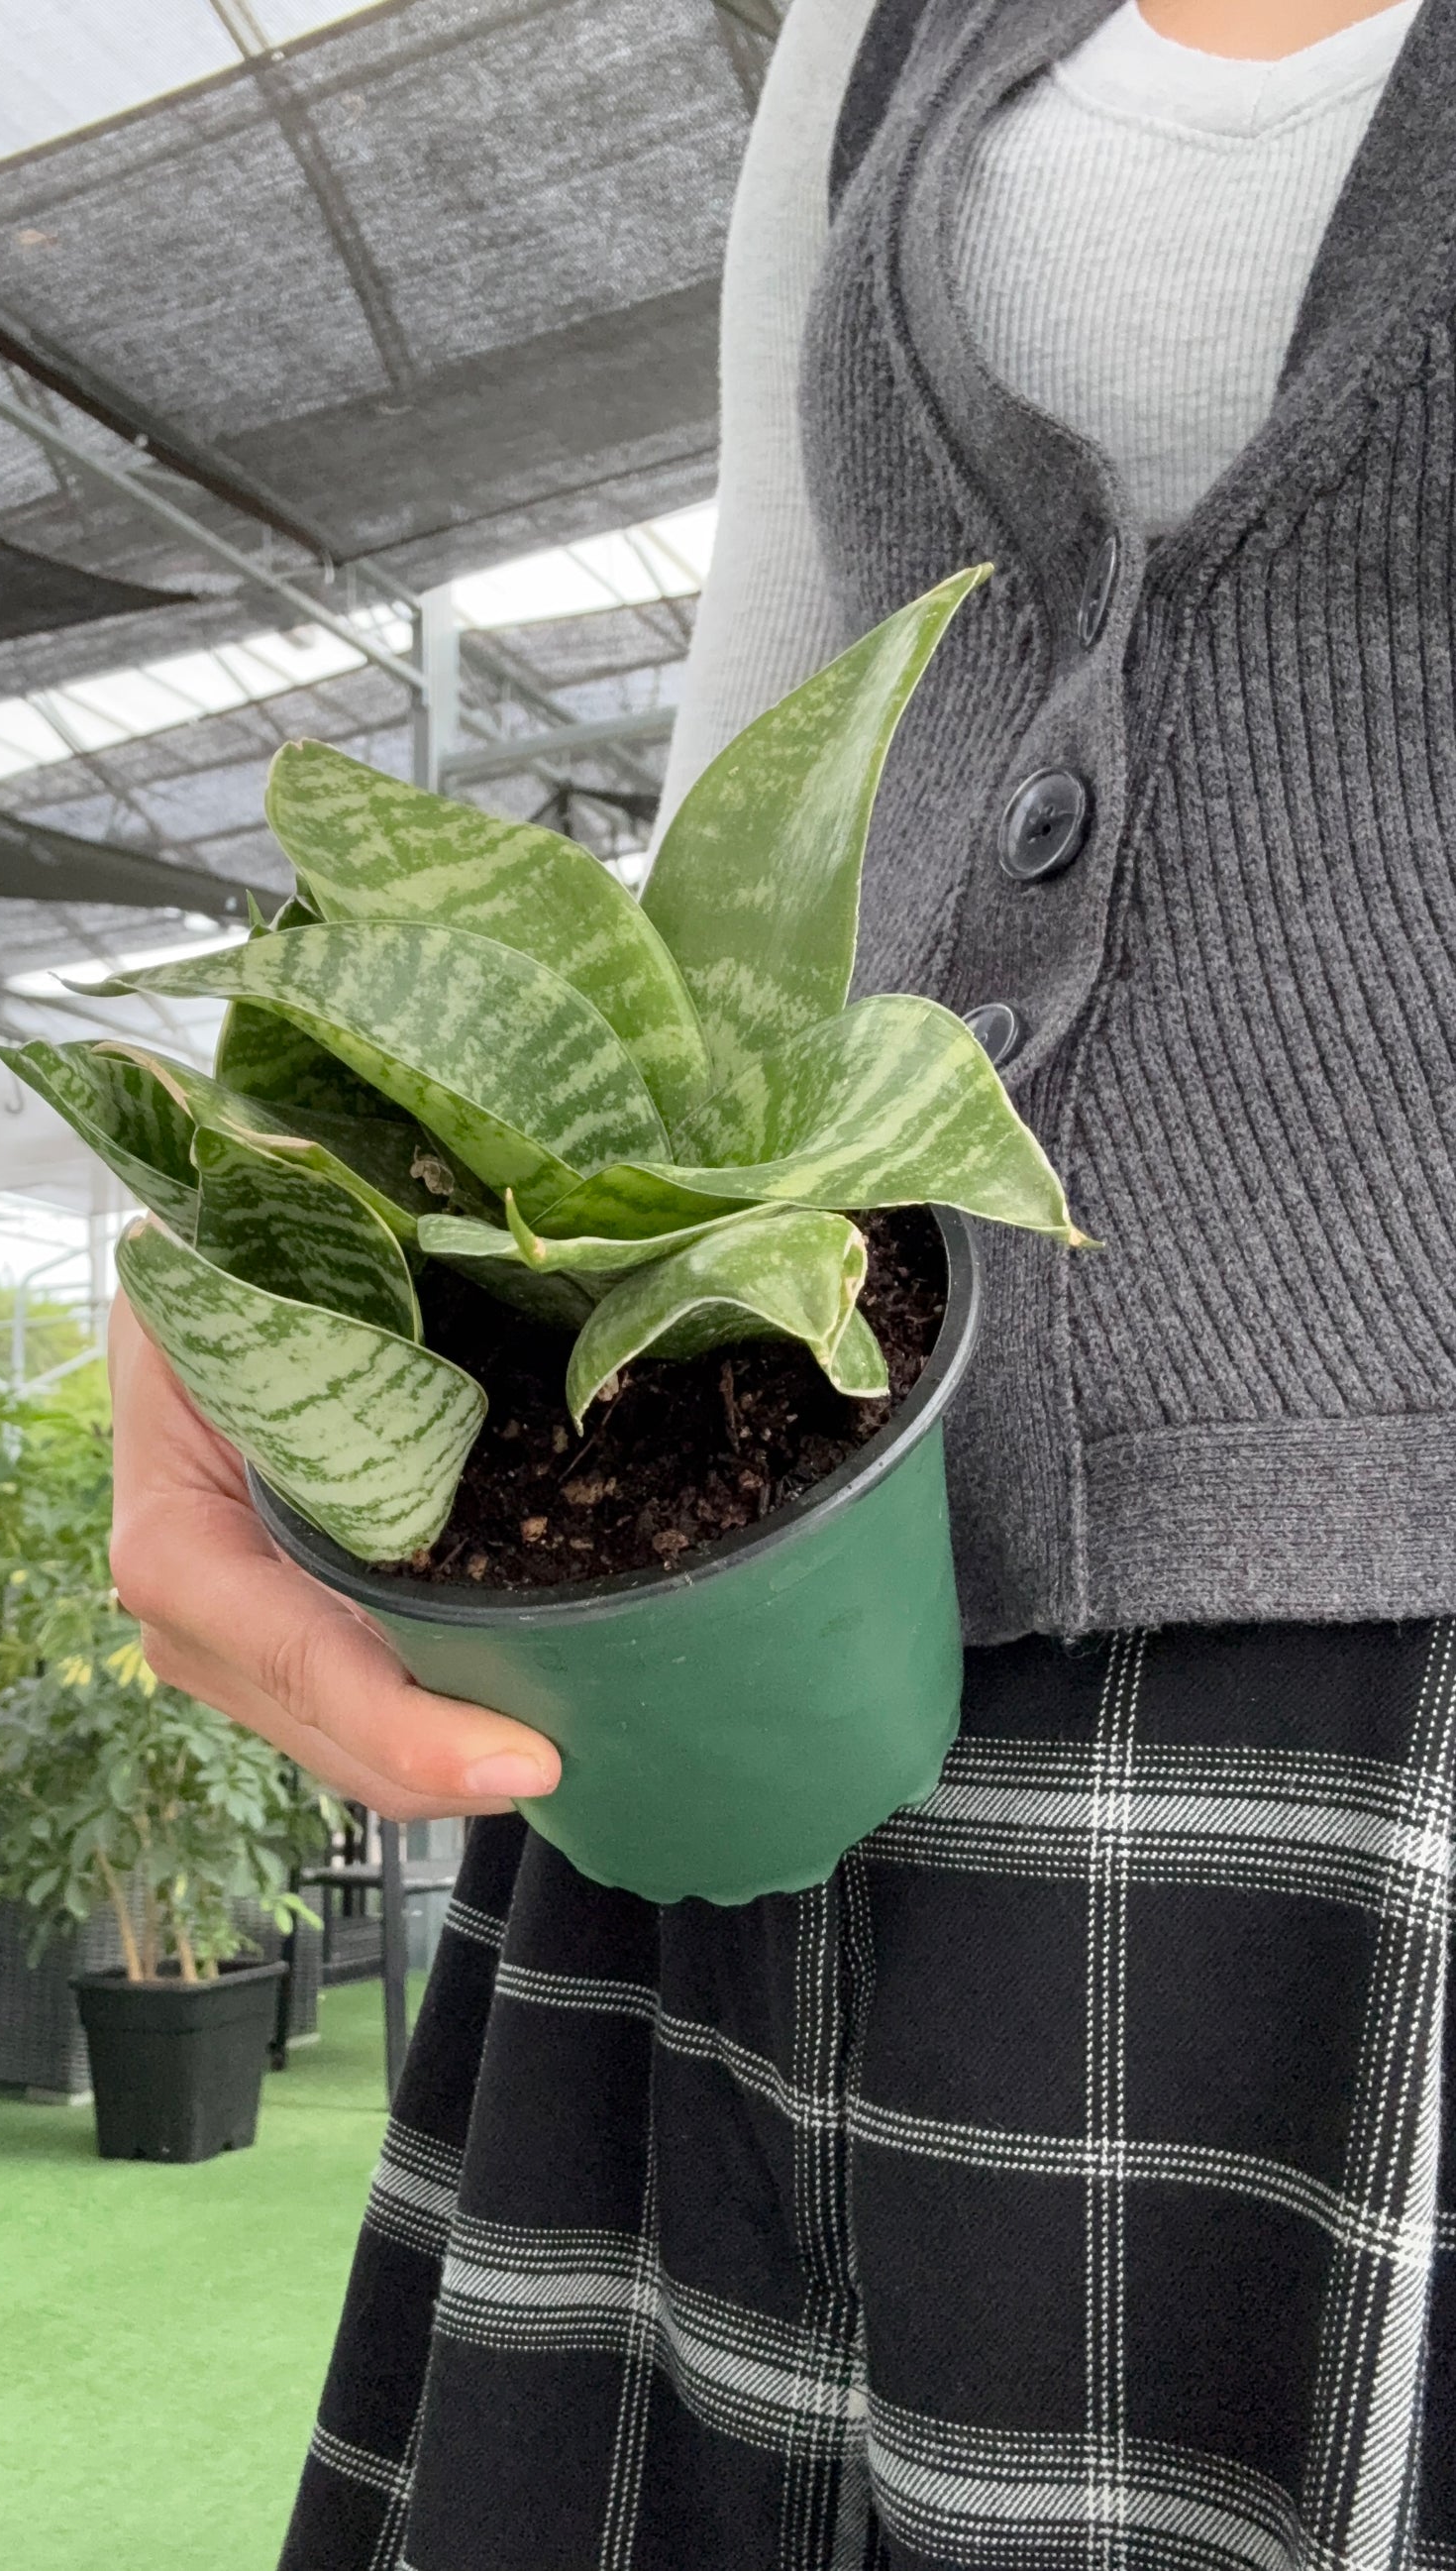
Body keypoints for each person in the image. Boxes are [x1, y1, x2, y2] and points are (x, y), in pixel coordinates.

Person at [112, 0, 1456, 2560]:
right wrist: (319, 1214)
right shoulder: (884, 28)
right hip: (756, 1617)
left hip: (1379, 1694)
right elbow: (773, 756)